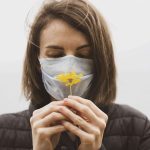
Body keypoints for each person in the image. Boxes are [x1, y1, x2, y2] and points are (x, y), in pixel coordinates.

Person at [0, 0, 150, 150]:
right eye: (55, 55)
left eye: (84, 54)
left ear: (101, 60)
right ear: (36, 62)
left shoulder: (137, 128)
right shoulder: (3, 131)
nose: (69, 68)